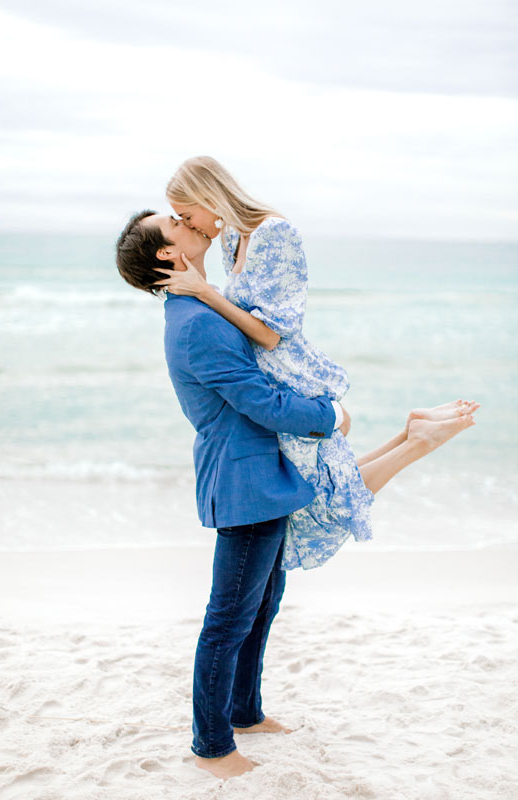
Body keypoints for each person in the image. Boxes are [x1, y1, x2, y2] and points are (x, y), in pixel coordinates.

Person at [116, 209, 477, 781]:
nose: (189, 222)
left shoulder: (200, 306)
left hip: (262, 469)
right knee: (228, 619)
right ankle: (212, 747)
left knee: (261, 605)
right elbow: (258, 399)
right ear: (167, 254)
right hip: (246, 480)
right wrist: (329, 415)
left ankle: (245, 713)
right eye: (177, 223)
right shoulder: (195, 323)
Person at [157, 155, 479, 570]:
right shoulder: (233, 238)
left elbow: (271, 333)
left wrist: (205, 292)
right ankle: (412, 434)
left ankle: (416, 441)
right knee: (319, 488)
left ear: (207, 195)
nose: (190, 225)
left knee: (321, 498)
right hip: (268, 380)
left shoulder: (275, 232)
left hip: (289, 378)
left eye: (186, 214)